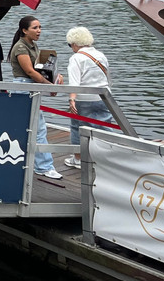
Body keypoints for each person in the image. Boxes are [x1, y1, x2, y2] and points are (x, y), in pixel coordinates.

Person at [8, 15, 62, 179]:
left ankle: (26, 161)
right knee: (38, 128)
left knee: (31, 128)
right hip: (25, 87)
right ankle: (44, 166)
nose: (39, 31)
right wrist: (49, 85)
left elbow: (39, 71)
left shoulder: (33, 46)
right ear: (24, 30)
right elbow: (30, 71)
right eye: (35, 28)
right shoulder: (21, 48)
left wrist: (54, 78)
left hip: (32, 86)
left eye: (40, 27)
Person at [64, 26, 114, 169]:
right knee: (104, 126)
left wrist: (71, 99)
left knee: (77, 127)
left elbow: (74, 83)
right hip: (103, 97)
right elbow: (108, 78)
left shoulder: (76, 58)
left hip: (84, 99)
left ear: (74, 43)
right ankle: (109, 157)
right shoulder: (100, 55)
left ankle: (78, 159)